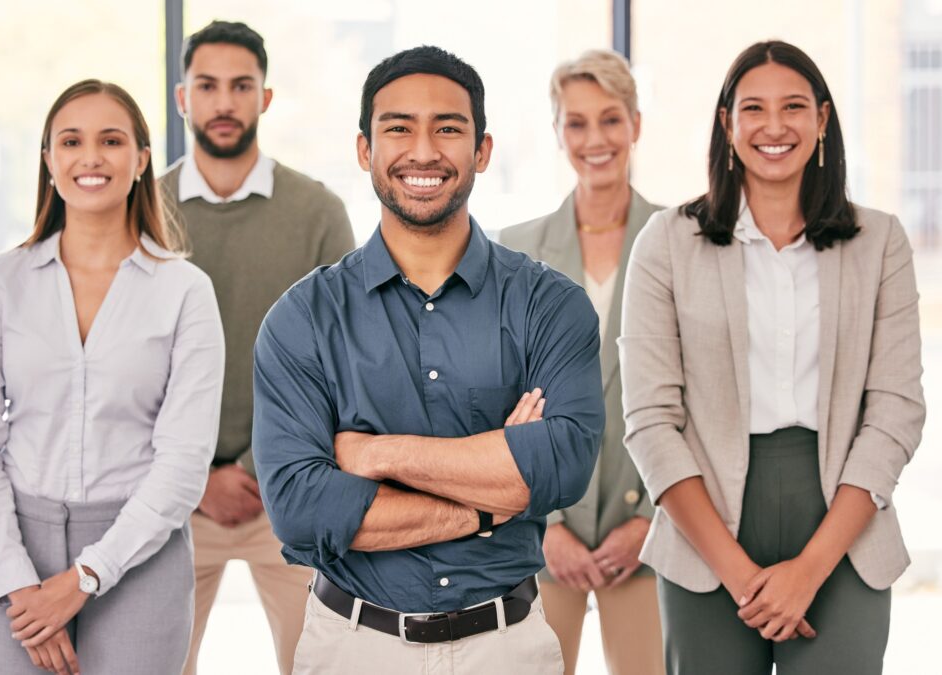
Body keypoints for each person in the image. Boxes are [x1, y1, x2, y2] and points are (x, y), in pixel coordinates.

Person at [252, 45, 605, 675]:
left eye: (448, 128)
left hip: (508, 648)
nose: (423, 151)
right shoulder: (301, 320)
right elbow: (303, 508)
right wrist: (493, 497)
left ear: (482, 151)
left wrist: (376, 455)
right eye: (398, 128)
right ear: (365, 151)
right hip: (352, 648)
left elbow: (563, 464)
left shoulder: (551, 306)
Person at [619, 41, 925, 675]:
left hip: (844, 524)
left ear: (822, 119)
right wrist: (738, 574)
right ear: (728, 125)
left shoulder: (881, 243)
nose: (775, 126)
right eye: (753, 109)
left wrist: (809, 571)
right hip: (705, 529)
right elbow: (650, 419)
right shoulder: (667, 243)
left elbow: (894, 412)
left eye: (793, 107)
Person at [0, 79, 224, 675]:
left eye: (111, 140)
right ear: (49, 160)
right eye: (71, 141)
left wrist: (86, 577)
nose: (90, 157)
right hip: (12, 547)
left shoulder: (186, 293)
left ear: (141, 159)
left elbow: (183, 461)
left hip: (139, 552)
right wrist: (19, 584)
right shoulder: (3, 283)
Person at [158, 20, 355, 675]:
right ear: (182, 97)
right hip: (168, 500)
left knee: (323, 663)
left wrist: (263, 467)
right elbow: (120, 369)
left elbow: (344, 360)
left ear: (264, 98)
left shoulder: (318, 211)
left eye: (241, 86)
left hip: (289, 494)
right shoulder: (143, 210)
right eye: (207, 86)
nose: (224, 102)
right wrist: (196, 482)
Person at [499, 49, 663, 675]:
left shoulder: (683, 239)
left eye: (611, 120)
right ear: (557, 133)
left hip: (648, 536)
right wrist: (546, 524)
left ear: (636, 125)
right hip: (543, 535)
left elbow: (702, 399)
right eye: (577, 123)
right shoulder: (515, 253)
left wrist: (653, 519)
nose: (595, 140)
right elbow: (499, 399)